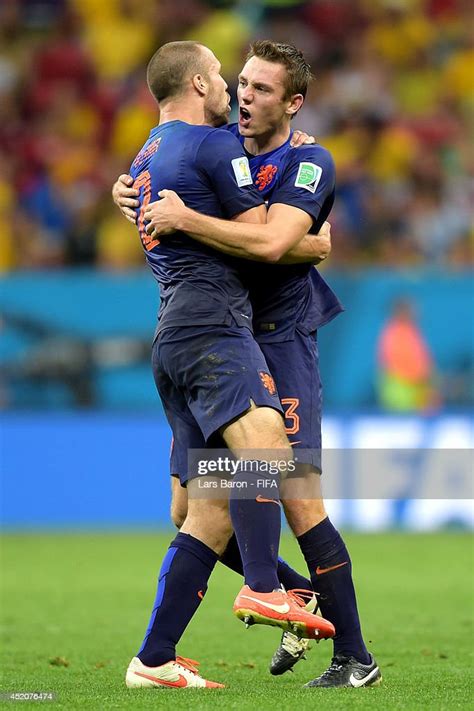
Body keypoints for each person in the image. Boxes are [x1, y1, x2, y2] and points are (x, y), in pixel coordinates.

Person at [115, 41, 381, 689]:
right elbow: (164, 170)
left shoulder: (308, 160)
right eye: (241, 83)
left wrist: (183, 216)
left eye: (262, 90)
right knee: (192, 508)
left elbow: (293, 241)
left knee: (296, 497)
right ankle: (288, 601)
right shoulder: (219, 150)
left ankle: (353, 656)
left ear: (292, 103)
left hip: (278, 342)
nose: (244, 96)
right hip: (222, 339)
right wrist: (131, 192)